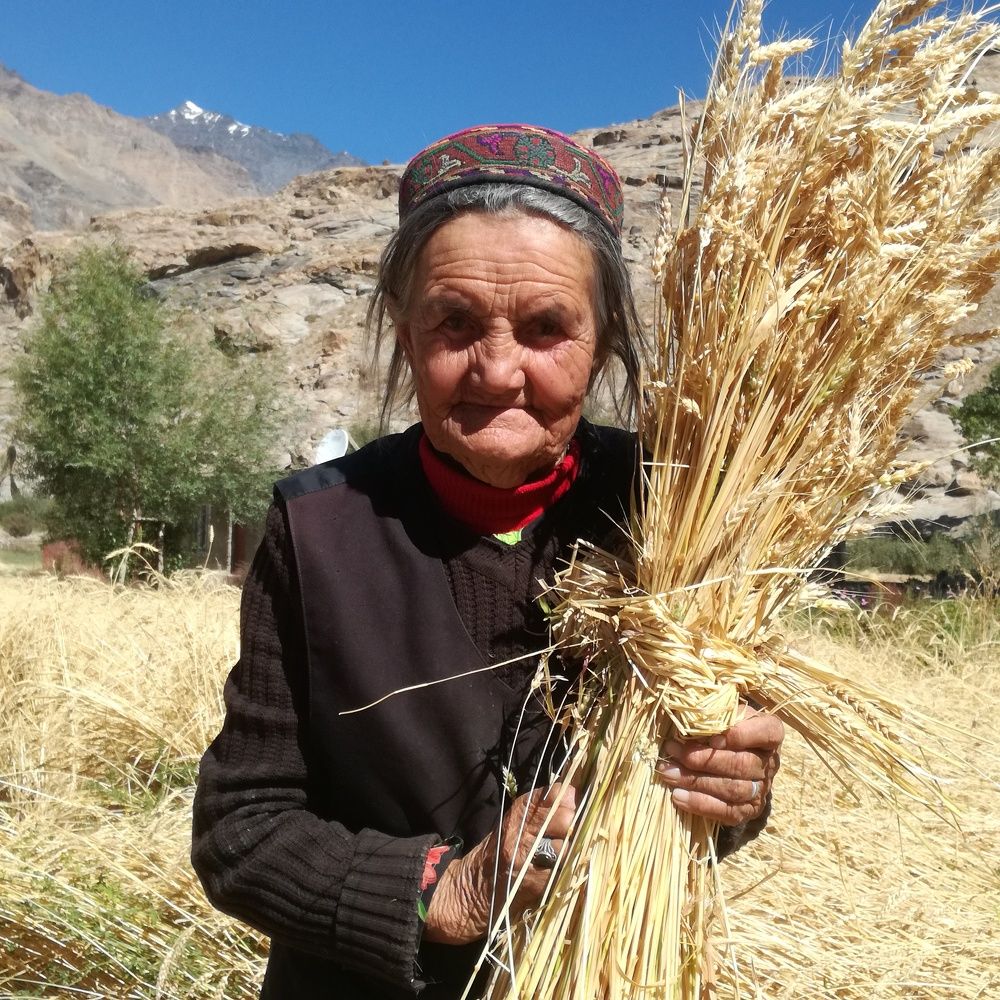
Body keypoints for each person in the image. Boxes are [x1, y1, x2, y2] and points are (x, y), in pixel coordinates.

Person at [192, 123, 784, 1000]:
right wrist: (445, 890)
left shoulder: (681, 509)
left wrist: (732, 791)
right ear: (404, 331)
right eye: (455, 322)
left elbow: (708, 797)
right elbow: (239, 829)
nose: (498, 371)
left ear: (605, 338)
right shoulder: (318, 529)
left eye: (548, 328)